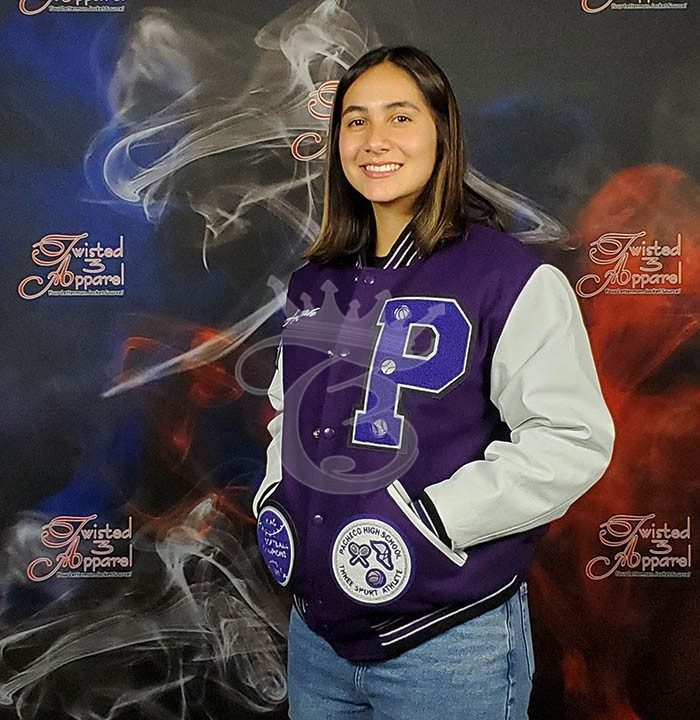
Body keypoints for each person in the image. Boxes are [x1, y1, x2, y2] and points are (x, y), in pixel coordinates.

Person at [252, 46, 614, 720]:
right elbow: (286, 412)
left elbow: (570, 439)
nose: (375, 140)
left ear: (442, 133)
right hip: (315, 639)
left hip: (449, 644)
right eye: (355, 121)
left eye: (400, 116)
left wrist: (434, 520)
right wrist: (279, 492)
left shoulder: (509, 276)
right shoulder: (312, 282)